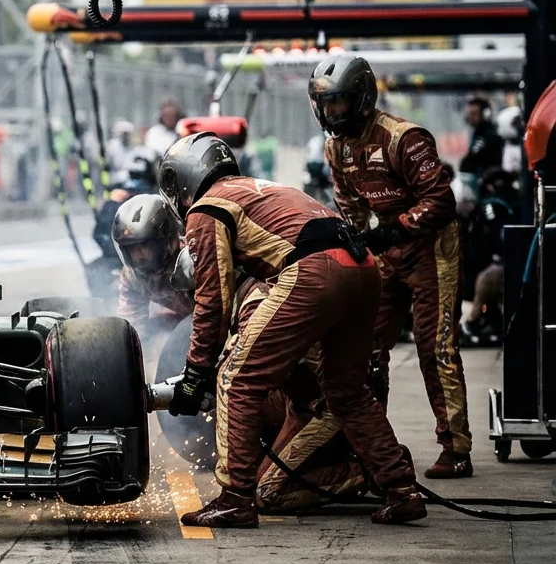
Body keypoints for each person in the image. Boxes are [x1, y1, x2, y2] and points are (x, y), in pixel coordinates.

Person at [160, 132, 422, 528]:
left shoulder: (207, 208)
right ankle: (401, 488)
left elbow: (213, 302)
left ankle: (235, 498)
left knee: (237, 378)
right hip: (364, 267)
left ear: (180, 181)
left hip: (316, 269)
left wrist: (197, 372)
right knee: (346, 390)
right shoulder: (260, 189)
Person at [312, 54, 474, 479]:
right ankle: (371, 447)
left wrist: (394, 231)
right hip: (388, 251)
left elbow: (441, 201)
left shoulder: (405, 138)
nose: (332, 111)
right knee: (364, 348)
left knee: (434, 348)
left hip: (432, 249)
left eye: (339, 102)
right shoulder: (335, 147)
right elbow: (351, 208)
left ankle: (456, 448)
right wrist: (354, 242)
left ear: (362, 98)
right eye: (326, 104)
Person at [111, 193, 193, 340]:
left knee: (184, 330)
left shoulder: (192, 260)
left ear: (169, 240)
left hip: (220, 320)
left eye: (145, 245)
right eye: (131, 248)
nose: (138, 255)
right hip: (187, 317)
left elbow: (214, 309)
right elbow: (132, 321)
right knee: (154, 328)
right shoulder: (133, 276)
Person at [460, 96, 504, 179]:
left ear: (485, 115)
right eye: (469, 114)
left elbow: (470, 160)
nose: (469, 117)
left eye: (473, 114)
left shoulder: (489, 134)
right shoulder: (477, 132)